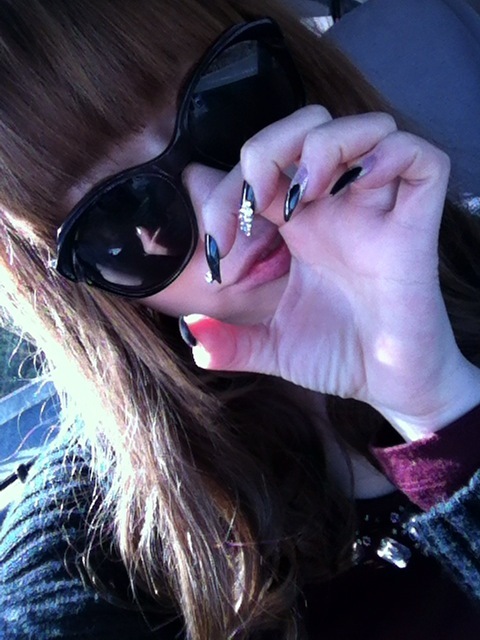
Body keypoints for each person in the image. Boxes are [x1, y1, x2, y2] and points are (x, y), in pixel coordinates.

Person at [1, 1, 480, 638]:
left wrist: (439, 406)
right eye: (120, 212)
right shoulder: (87, 556)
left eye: (227, 101)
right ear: (81, 291)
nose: (226, 208)